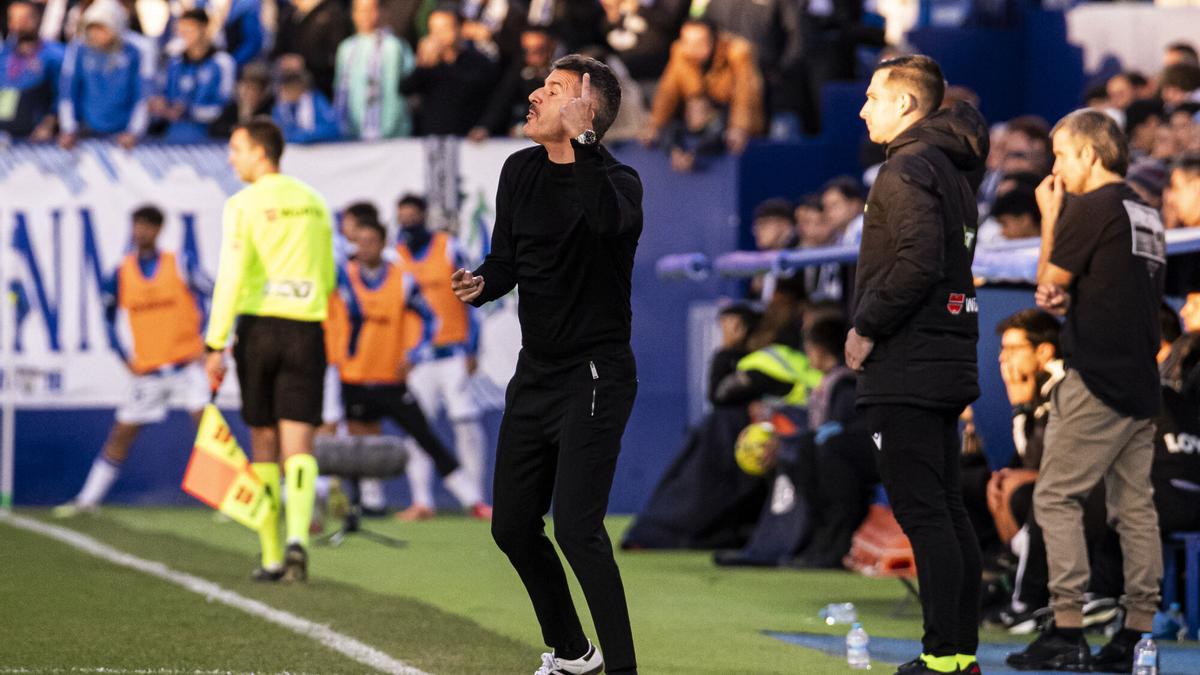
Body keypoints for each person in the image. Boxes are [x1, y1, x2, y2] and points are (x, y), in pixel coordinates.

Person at [451, 54, 639, 675]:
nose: (535, 94)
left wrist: (584, 144)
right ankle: (572, 653)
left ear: (587, 111)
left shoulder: (620, 182)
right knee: (511, 527)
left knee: (579, 530)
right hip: (536, 374)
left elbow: (605, 220)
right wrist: (484, 282)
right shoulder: (518, 170)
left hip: (595, 374)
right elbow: (508, 258)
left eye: (554, 89)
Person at [1007, 109, 1165, 672]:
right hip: (1142, 380)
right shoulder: (1145, 209)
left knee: (1054, 497)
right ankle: (1138, 635)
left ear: (1090, 156)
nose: (1056, 167)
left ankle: (1067, 630)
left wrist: (1052, 214)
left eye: (1062, 155)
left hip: (1096, 376)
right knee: (1135, 507)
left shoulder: (1090, 206)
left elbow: (1050, 289)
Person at [846, 54, 988, 675]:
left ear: (906, 105)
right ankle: (958, 656)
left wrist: (865, 327)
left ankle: (942, 660)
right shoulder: (949, 167)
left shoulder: (906, 168)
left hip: (908, 361)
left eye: (874, 96)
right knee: (946, 510)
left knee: (927, 512)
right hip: (942, 354)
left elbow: (917, 261)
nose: (863, 108)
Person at [204, 118, 335, 584]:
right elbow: (328, 275)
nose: (231, 156)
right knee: (299, 443)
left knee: (263, 440)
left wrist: (215, 342)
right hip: (307, 328)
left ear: (261, 152)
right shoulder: (314, 203)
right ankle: (299, 537)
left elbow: (232, 275)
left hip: (260, 328)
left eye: (236, 147)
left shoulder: (243, 204)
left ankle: (273, 555)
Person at [53, 206, 210, 517]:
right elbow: (108, 318)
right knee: (122, 433)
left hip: (186, 366)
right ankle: (88, 500)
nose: (141, 232)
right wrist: (123, 357)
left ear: (159, 230)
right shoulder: (122, 271)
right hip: (149, 370)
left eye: (148, 226)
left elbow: (217, 292)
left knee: (209, 430)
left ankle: (227, 501)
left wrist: (210, 343)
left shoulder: (179, 264)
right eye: (138, 225)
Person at [326, 217, 486, 515]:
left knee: (424, 436)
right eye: (359, 242)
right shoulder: (341, 278)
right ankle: (370, 502)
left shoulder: (402, 279)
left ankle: (471, 499)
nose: (364, 248)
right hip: (354, 376)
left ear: (384, 243)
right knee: (361, 440)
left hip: (391, 377)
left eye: (371, 242)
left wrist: (414, 355)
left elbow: (430, 318)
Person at [392, 194, 491, 521]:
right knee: (418, 427)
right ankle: (422, 500)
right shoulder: (395, 256)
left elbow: (471, 295)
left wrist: (473, 347)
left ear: (424, 215)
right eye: (401, 216)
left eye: (412, 215)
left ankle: (475, 497)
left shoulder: (449, 247)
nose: (407, 222)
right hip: (418, 358)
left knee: (465, 420)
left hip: (452, 351)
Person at [642, 17, 763, 154]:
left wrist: (739, 127)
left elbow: (746, 95)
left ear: (714, 40)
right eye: (687, 42)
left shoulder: (737, 53)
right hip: (696, 123)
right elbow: (667, 92)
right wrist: (655, 125)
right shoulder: (680, 52)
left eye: (700, 43)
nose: (692, 48)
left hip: (727, 118)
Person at [57, 0, 152, 149]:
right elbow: (68, 91)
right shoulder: (79, 48)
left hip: (123, 135)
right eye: (92, 28)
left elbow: (143, 95)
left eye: (101, 29)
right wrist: (69, 128)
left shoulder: (138, 49)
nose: (95, 34)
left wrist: (134, 131)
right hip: (86, 131)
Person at [399, 6, 496, 136]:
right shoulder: (429, 65)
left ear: (459, 28)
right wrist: (422, 64)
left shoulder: (480, 62)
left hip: (469, 140)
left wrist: (484, 126)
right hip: (432, 138)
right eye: (434, 30)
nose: (438, 35)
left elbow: (493, 100)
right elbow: (405, 89)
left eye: (444, 29)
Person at [334, 0, 415, 141]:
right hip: (349, 135)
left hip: (392, 136)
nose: (365, 16)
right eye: (360, 10)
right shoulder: (346, 48)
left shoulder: (395, 46)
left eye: (370, 10)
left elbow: (410, 91)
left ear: (384, 12)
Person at [153, 8, 235, 143]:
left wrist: (190, 111)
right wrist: (161, 105)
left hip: (209, 138)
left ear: (205, 29)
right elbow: (165, 95)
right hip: (172, 136)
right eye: (181, 31)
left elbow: (225, 106)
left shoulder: (222, 63)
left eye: (189, 30)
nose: (184, 35)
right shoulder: (175, 62)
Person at [0, 0, 64, 141]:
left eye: (24, 18)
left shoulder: (54, 55)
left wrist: (49, 124)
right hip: (5, 135)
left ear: (37, 18)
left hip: (36, 139)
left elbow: (63, 94)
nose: (18, 24)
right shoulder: (4, 54)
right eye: (13, 18)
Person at [272, 64, 340, 144]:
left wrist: (306, 136)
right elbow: (278, 132)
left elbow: (333, 129)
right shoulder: (280, 108)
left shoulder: (316, 102)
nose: (284, 93)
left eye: (288, 89)